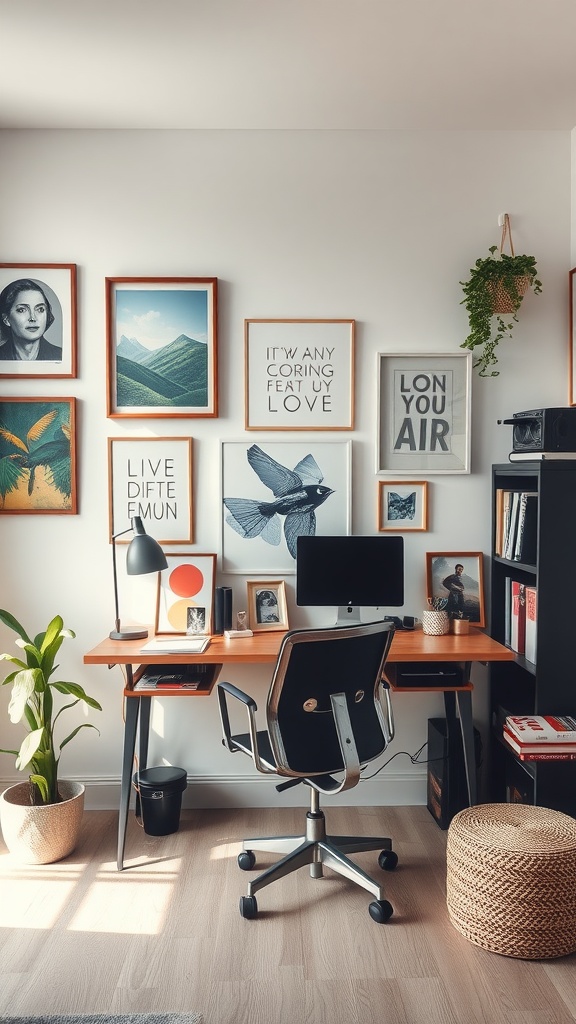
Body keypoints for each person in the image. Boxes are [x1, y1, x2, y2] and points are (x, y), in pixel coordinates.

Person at [0, 278, 61, 361]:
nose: (33, 318)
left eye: (40, 309)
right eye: (22, 310)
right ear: (6, 319)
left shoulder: (59, 356)